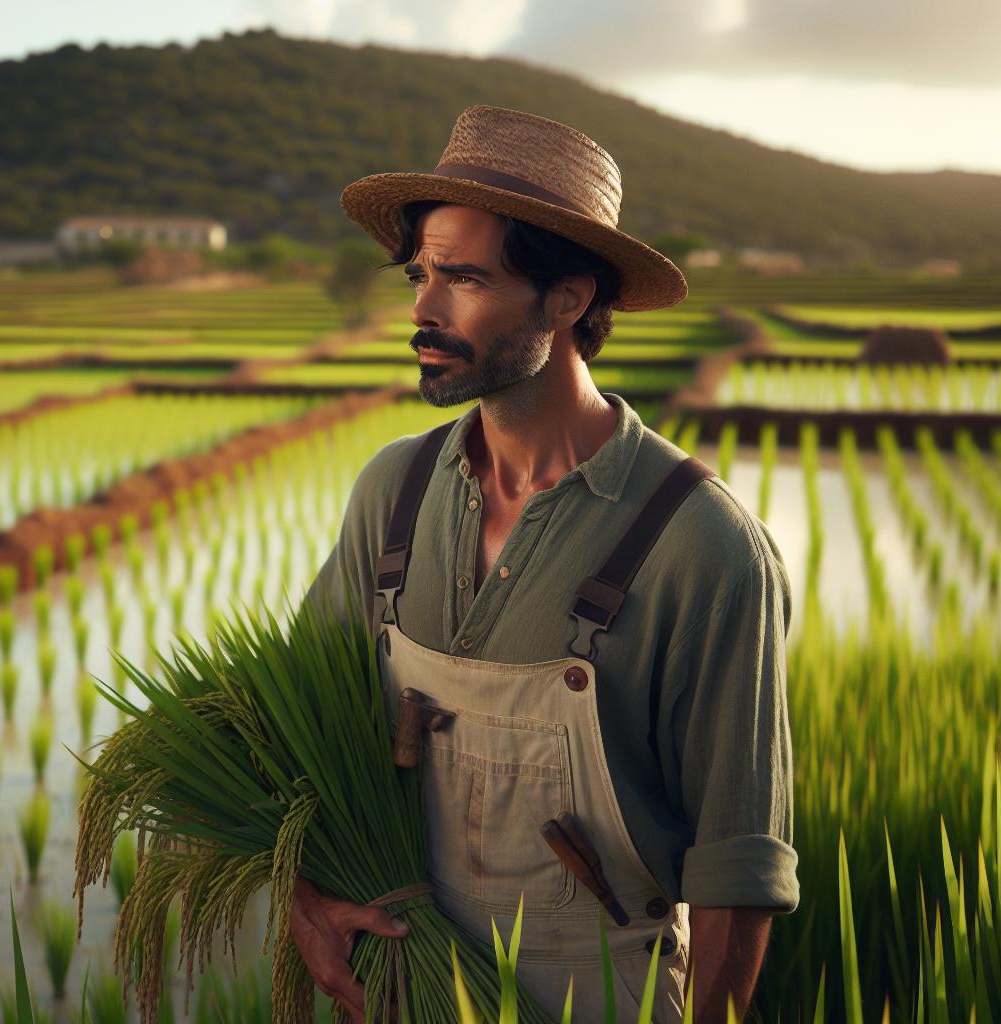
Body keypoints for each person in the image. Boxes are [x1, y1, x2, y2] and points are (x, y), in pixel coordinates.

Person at [297, 105, 799, 1023]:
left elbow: (736, 860)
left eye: (465, 279)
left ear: (568, 297)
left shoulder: (704, 547)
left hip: (605, 996)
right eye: (420, 276)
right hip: (407, 991)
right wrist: (303, 903)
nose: (423, 311)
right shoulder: (395, 491)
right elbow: (290, 718)